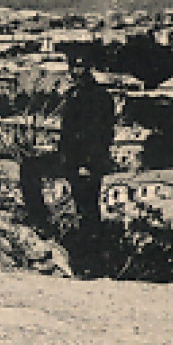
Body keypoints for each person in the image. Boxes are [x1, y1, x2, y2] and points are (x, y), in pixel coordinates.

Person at [56, 56, 117, 234]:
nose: (75, 71)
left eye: (79, 67)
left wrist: (87, 162)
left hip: (87, 161)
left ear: (88, 69)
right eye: (73, 67)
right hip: (73, 159)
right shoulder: (75, 94)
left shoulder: (97, 97)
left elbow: (101, 134)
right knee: (82, 204)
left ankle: (91, 247)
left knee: (88, 205)